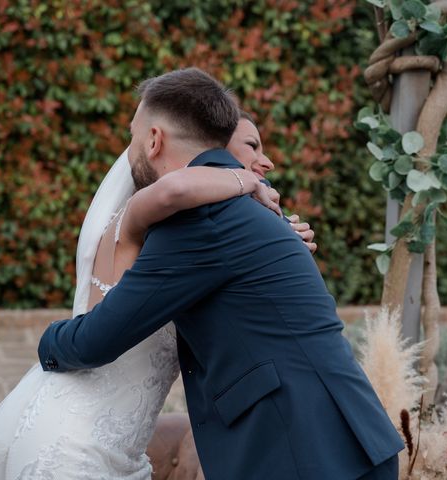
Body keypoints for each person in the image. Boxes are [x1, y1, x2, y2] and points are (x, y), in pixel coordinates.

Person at [38, 68, 404, 479]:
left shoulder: (199, 220)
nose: (130, 152)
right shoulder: (238, 210)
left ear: (154, 139)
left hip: (304, 451)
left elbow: (96, 340)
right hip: (335, 444)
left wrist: (47, 343)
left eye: (133, 137)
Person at [0, 112, 314, 479]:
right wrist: (242, 180)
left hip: (118, 449)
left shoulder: (209, 238)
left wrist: (280, 249)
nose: (267, 161)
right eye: (251, 146)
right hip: (74, 444)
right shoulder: (153, 219)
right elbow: (173, 190)